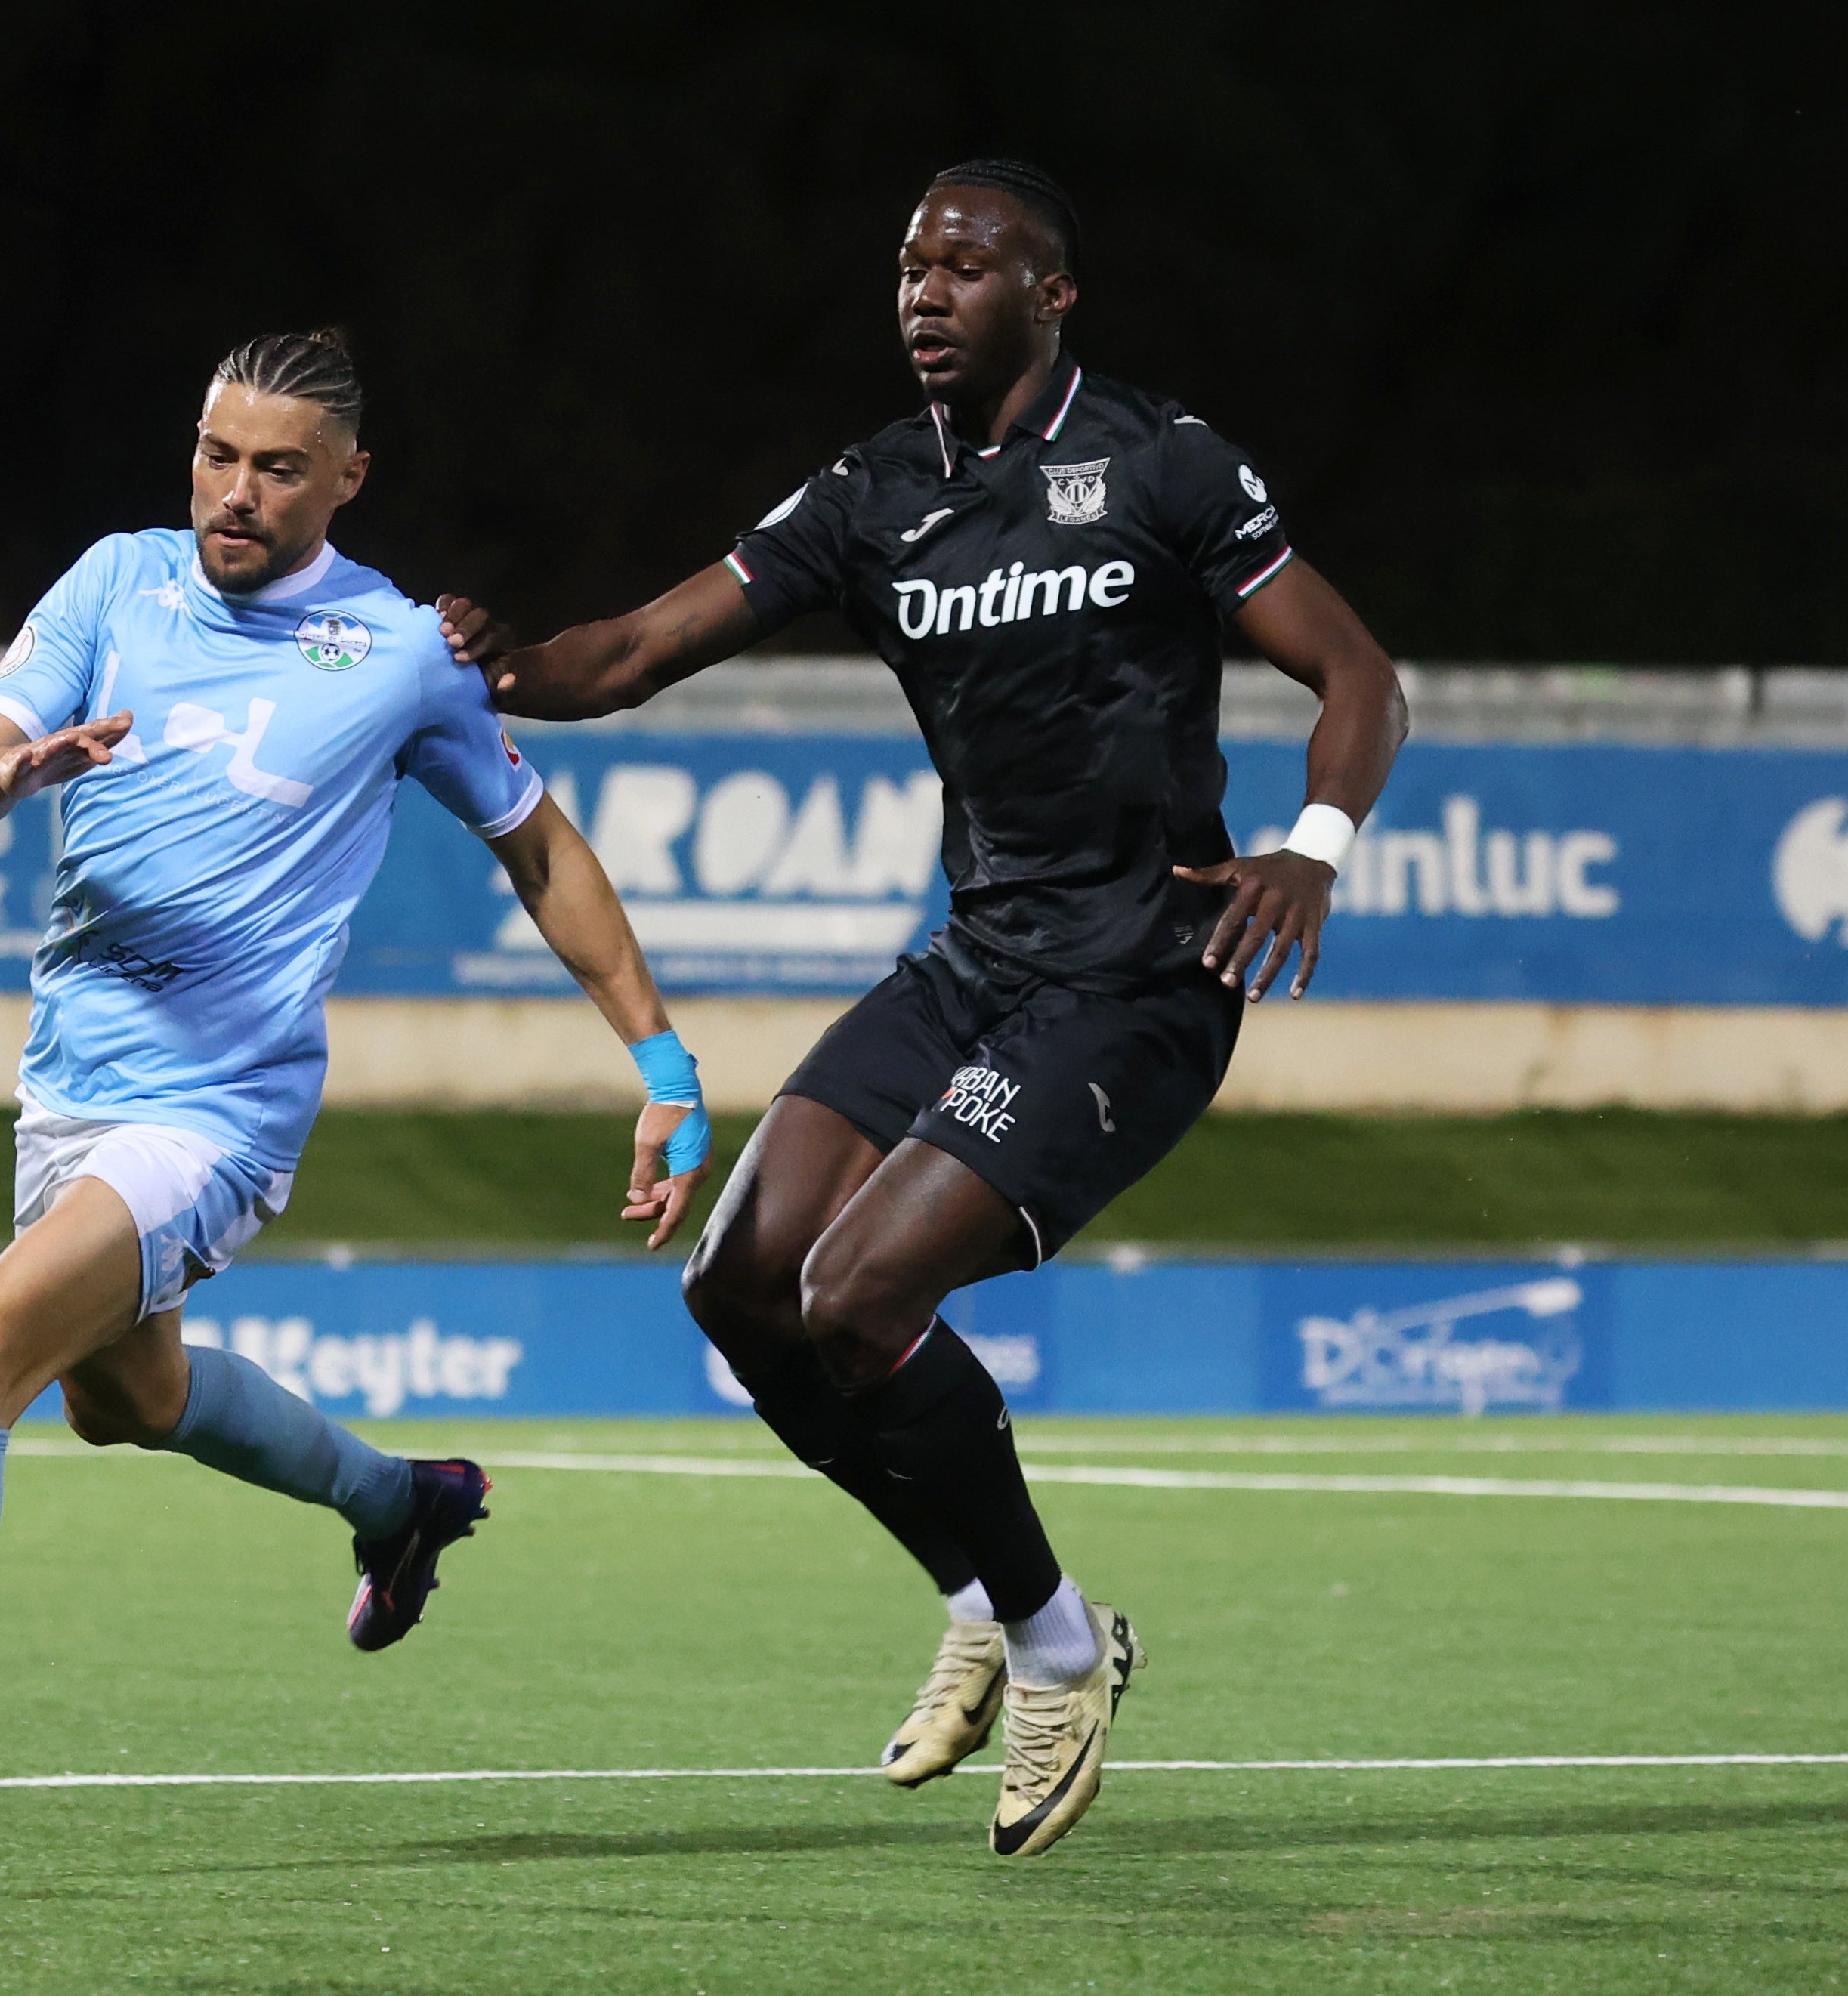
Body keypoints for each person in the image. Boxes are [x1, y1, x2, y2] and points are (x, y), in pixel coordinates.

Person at [435, 160, 1408, 1856]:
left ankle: (1053, 1644)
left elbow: (1361, 676)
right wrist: (470, 662)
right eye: (907, 266)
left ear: (1053, 291)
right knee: (743, 1288)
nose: (923, 291)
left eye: (966, 264)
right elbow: (642, 649)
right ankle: (979, 1586)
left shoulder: (1167, 460)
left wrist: (1314, 848)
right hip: (975, 963)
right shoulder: (878, 493)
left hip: (1138, 979)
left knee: (860, 1287)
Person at [0, 327, 715, 1887]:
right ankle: (398, 1502)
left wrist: (664, 1063)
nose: (236, 493)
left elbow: (542, 849)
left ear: (348, 480)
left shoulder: (401, 655)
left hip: (220, 1111)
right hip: (71, 1085)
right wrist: (18, 768)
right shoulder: (116, 584)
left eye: (279, 467)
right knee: (126, 1399)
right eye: (217, 456)